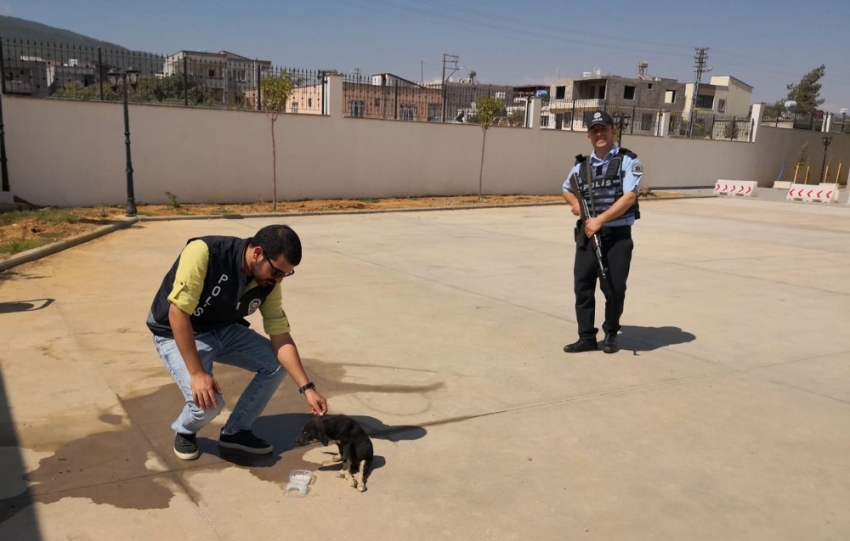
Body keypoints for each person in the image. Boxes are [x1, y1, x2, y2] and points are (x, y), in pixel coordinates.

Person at [146, 224, 328, 460]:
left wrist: (307, 388)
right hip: (175, 331)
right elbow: (177, 314)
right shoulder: (205, 252)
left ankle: (235, 432)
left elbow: (280, 334)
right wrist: (197, 373)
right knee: (207, 406)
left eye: (285, 274)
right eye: (277, 272)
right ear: (257, 253)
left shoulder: (269, 282)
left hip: (222, 328)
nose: (279, 280)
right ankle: (185, 429)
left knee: (276, 364)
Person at [561, 110, 642, 354]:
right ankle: (586, 336)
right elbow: (566, 188)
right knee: (583, 286)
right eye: (594, 130)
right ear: (589, 136)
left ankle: (610, 334)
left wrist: (601, 220)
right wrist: (576, 204)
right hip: (587, 235)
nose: (599, 134)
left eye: (603, 129)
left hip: (617, 237)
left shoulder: (628, 160)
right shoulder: (581, 166)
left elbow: (630, 197)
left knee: (614, 288)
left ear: (612, 131)